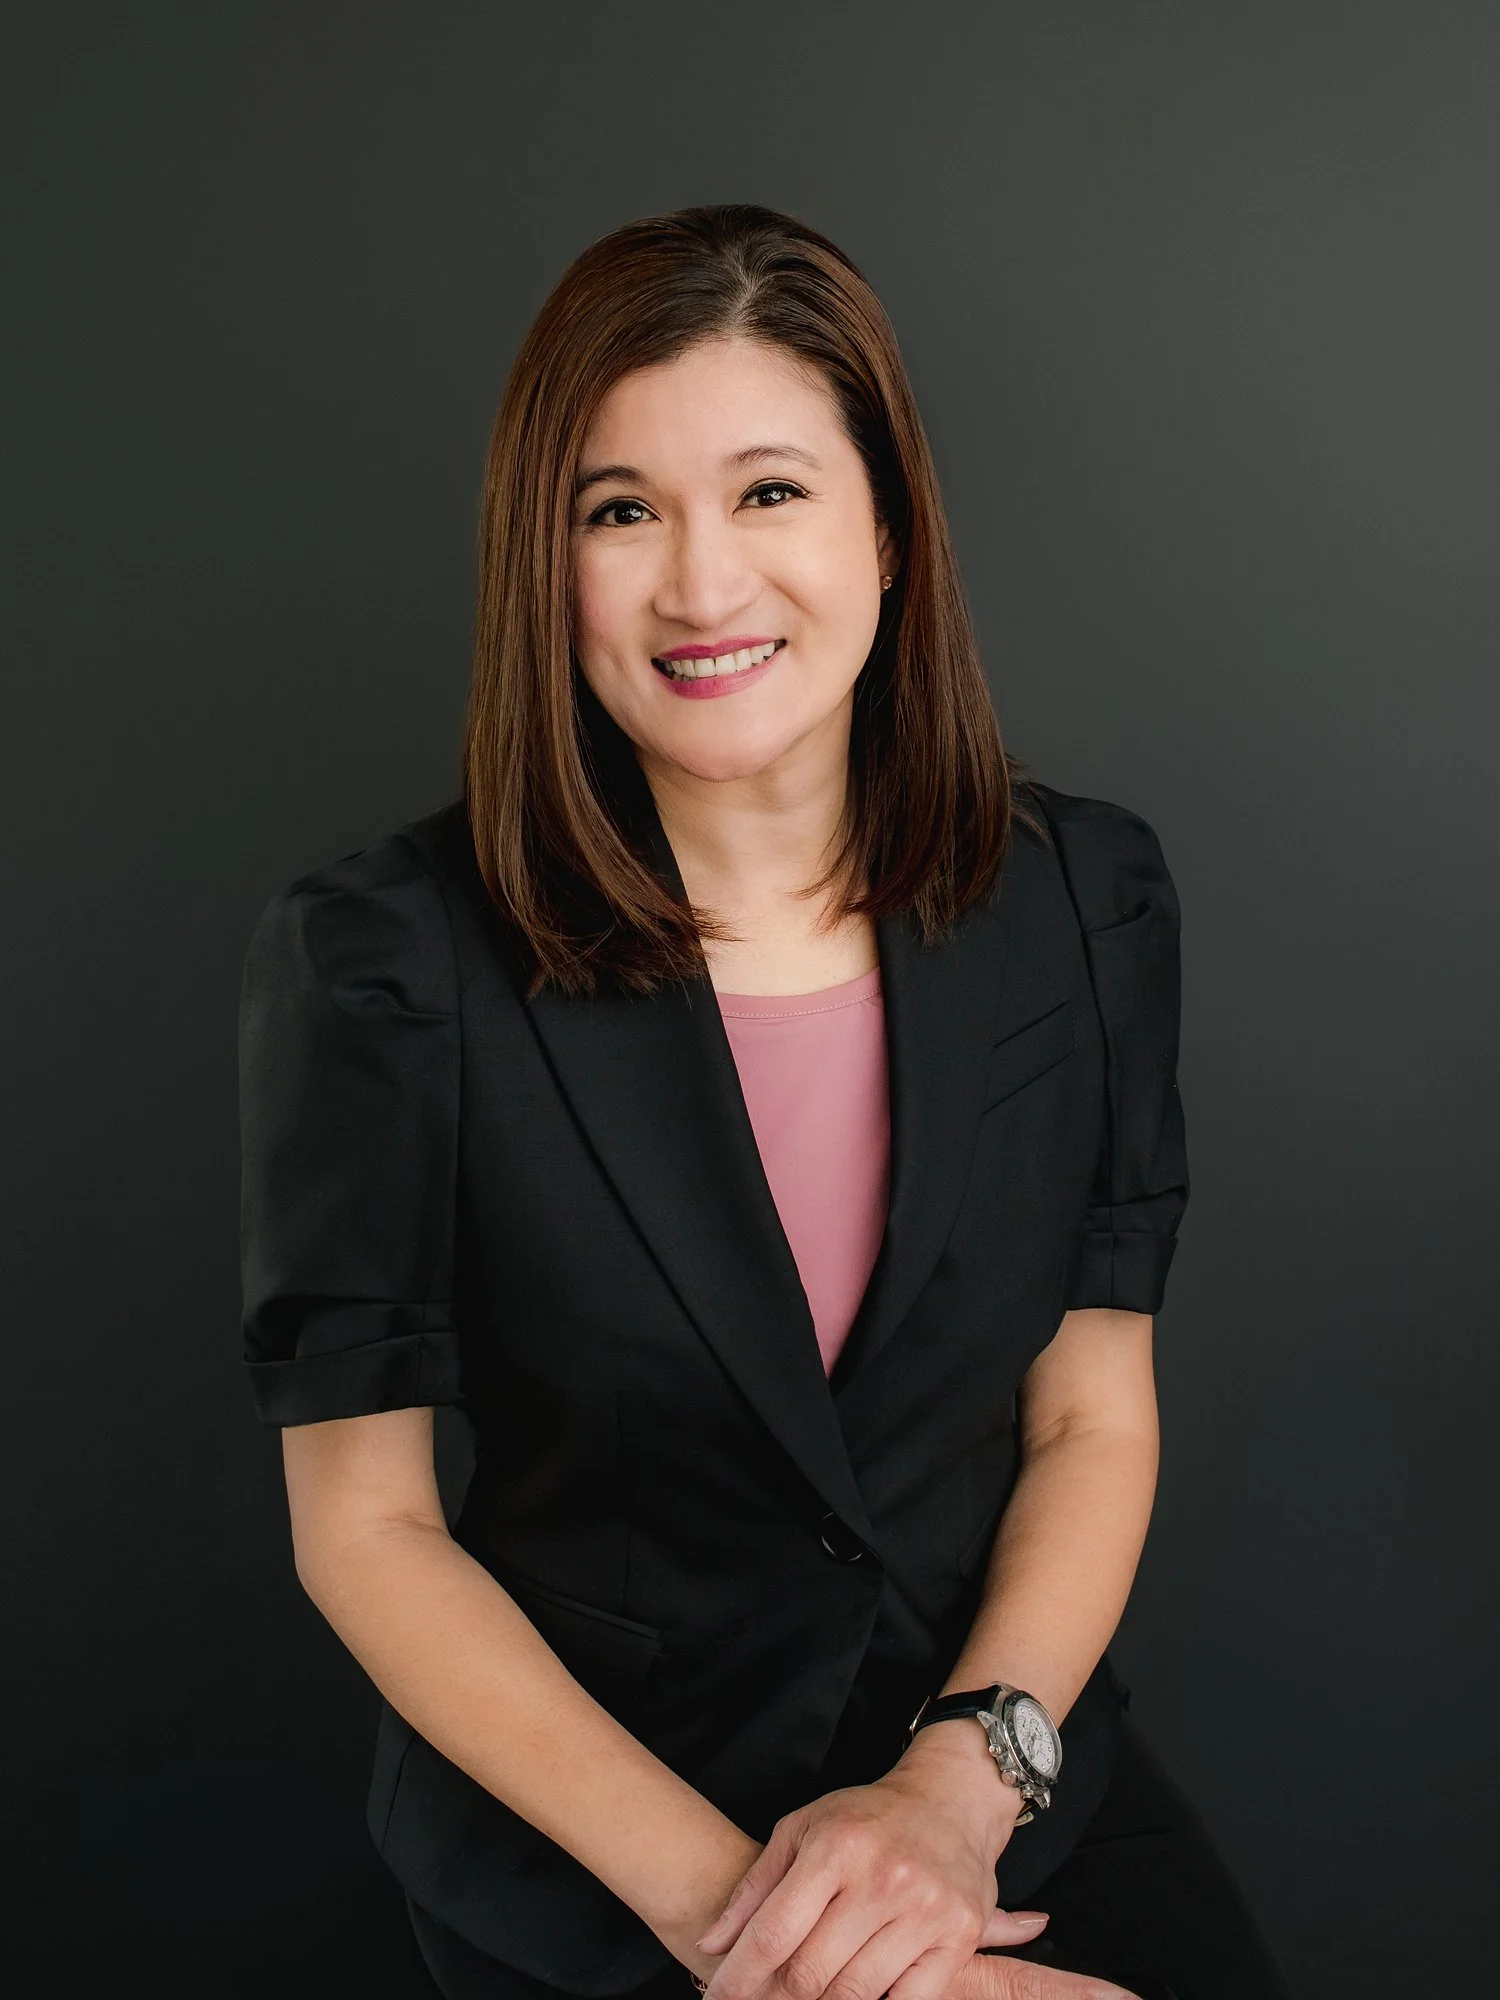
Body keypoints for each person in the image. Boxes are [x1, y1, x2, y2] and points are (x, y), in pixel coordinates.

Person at [238, 204, 1296, 2000]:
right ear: (544, 563)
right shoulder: (383, 959)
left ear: (890, 525)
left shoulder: (1087, 898)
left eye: (773, 493)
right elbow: (368, 1528)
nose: (703, 588)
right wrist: (789, 1942)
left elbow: (1089, 1417)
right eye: (621, 509)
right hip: (602, 1831)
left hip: (1000, 1769)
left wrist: (958, 1795)